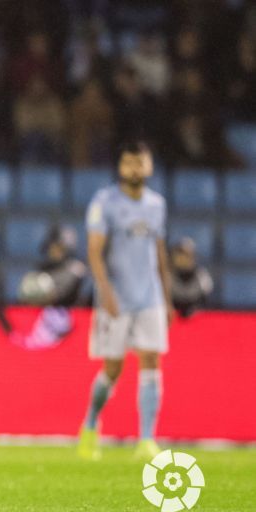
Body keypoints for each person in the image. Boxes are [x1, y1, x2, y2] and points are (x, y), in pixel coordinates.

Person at [78, 141, 174, 461]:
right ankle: (91, 424)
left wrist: (167, 297)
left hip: (149, 297)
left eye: (140, 163)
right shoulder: (104, 202)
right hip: (116, 298)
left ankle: (147, 439)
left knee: (151, 361)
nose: (134, 169)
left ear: (149, 166)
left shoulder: (156, 205)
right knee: (113, 369)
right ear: (120, 166)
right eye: (129, 163)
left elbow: (159, 251)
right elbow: (94, 250)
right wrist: (105, 292)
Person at [170, 237, 213, 318]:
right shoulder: (167, 277)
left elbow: (206, 304)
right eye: (179, 254)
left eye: (186, 255)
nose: (182, 258)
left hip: (197, 322)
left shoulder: (202, 277)